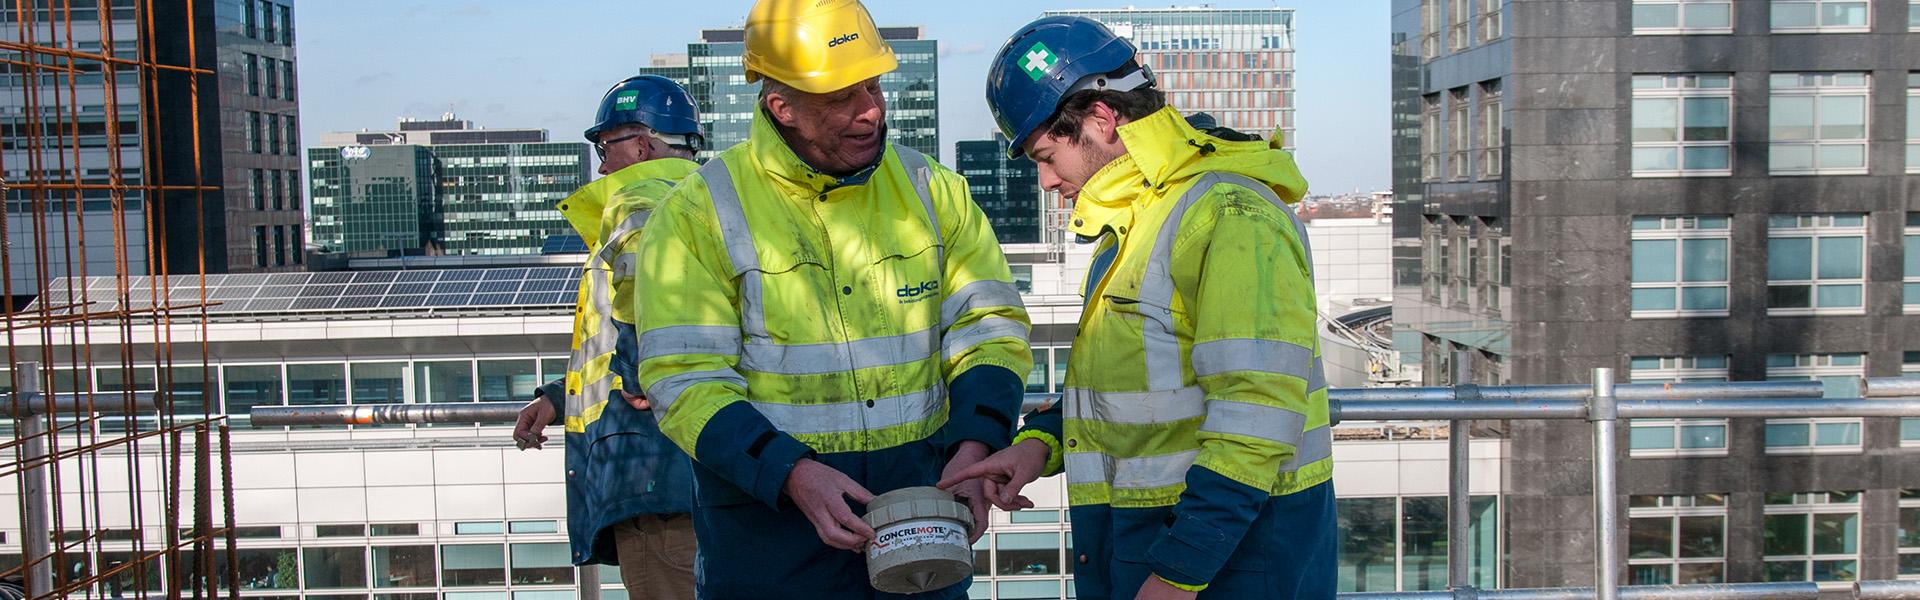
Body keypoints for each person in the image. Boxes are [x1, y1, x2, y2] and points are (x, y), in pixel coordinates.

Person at [629, 0, 1032, 598]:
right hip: (770, 540)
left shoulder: (933, 191)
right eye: (841, 96)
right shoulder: (697, 214)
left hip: (920, 520)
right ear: (781, 106)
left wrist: (974, 449)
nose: (870, 110)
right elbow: (682, 378)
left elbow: (990, 327)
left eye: (872, 84)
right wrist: (790, 473)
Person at [941, 16, 1336, 600]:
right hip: (1151, 551)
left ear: (1101, 120)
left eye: (1047, 155)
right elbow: (1131, 388)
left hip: (1229, 567)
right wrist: (1037, 446)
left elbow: (1255, 422)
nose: (1046, 180)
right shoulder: (1136, 221)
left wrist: (1178, 576)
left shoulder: (1229, 215)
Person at [509, 74, 704, 599]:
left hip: (655, 473)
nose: (600, 164)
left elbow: (656, 305)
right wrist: (560, 397)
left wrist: (649, 374)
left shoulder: (638, 201)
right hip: (682, 471)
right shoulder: (707, 200)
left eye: (605, 146)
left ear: (642, 142)